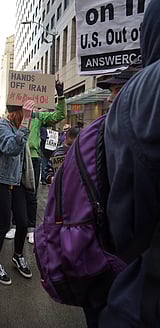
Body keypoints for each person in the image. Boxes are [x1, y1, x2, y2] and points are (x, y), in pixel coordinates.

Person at [99, 1, 160, 326]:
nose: (111, 97)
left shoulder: (138, 97)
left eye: (114, 90)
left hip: (144, 298)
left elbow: (124, 222)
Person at [0, 102, 32, 285]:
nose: (30, 115)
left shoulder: (22, 124)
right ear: (17, 112)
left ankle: (18, 255)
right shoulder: (1, 126)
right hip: (0, 180)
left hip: (17, 181)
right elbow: (11, 149)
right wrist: (25, 122)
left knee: (22, 222)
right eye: (26, 112)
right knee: (4, 224)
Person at [20, 81, 65, 245]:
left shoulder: (38, 117)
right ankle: (14, 224)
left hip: (33, 158)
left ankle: (31, 228)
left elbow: (59, 116)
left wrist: (60, 95)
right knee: (16, 193)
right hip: (17, 157)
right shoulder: (15, 115)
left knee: (31, 194)